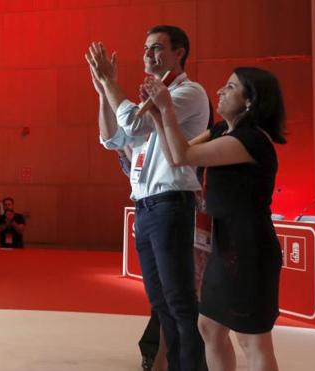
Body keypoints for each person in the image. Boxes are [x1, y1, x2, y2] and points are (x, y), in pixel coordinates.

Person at [143, 66, 285, 371]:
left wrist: (167, 106)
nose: (220, 91)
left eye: (230, 87)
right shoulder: (223, 130)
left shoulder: (251, 140)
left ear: (250, 101)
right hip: (225, 245)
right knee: (210, 326)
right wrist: (157, 115)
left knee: (253, 340)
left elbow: (183, 155)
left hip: (249, 249)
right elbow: (173, 156)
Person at [87, 25, 208, 371]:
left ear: (179, 53)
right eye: (145, 48)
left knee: (180, 300)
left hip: (171, 202)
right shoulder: (147, 99)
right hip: (145, 207)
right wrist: (101, 91)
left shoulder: (189, 92)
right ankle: (174, 364)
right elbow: (111, 138)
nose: (147, 55)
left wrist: (111, 83)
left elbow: (133, 125)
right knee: (160, 300)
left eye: (157, 48)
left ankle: (193, 366)